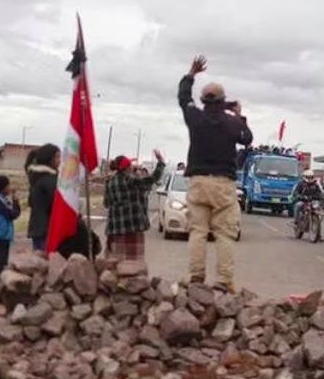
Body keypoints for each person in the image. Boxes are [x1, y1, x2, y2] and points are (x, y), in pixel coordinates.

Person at [178, 55, 253, 292]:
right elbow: (247, 139)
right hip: (224, 184)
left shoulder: (195, 117)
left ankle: (196, 276)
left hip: (198, 182)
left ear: (203, 101)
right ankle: (223, 280)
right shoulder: (232, 123)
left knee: (197, 232)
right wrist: (238, 114)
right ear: (224, 102)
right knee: (224, 233)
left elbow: (183, 97)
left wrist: (191, 74)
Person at [104, 152, 165, 261]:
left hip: (114, 231)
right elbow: (152, 179)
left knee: (115, 265)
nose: (133, 166)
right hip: (133, 229)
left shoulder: (109, 182)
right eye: (131, 165)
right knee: (133, 267)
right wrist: (160, 163)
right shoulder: (130, 180)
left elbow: (106, 204)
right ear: (127, 167)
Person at [26, 143, 60, 251]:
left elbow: (31, 201)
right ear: (49, 158)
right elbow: (57, 203)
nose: (60, 160)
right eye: (57, 156)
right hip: (47, 228)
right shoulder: (49, 180)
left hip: (37, 228)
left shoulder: (36, 177)